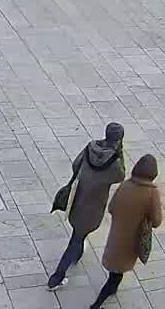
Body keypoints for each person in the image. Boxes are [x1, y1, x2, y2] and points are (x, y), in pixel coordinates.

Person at [48, 123, 127, 288]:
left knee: (78, 234)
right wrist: (119, 155)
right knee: (76, 240)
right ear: (119, 140)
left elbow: (76, 164)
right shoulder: (114, 161)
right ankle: (57, 277)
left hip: (77, 200)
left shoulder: (91, 146)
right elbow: (120, 176)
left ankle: (77, 255)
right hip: (92, 208)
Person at [92, 154, 165, 309]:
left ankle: (110, 290)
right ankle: (96, 305)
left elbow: (111, 208)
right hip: (131, 241)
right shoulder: (151, 193)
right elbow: (157, 221)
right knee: (116, 275)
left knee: (115, 270)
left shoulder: (125, 185)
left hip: (116, 236)